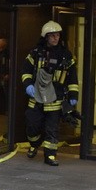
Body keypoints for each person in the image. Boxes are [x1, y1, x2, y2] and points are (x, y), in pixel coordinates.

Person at [21, 20, 79, 166]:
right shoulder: (35, 53)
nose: (55, 38)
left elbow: (72, 77)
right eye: (52, 35)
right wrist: (28, 85)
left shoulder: (66, 55)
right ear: (45, 37)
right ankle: (34, 144)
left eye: (57, 35)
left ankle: (50, 155)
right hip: (37, 97)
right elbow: (26, 71)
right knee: (32, 125)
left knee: (51, 128)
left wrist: (73, 95)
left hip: (56, 97)